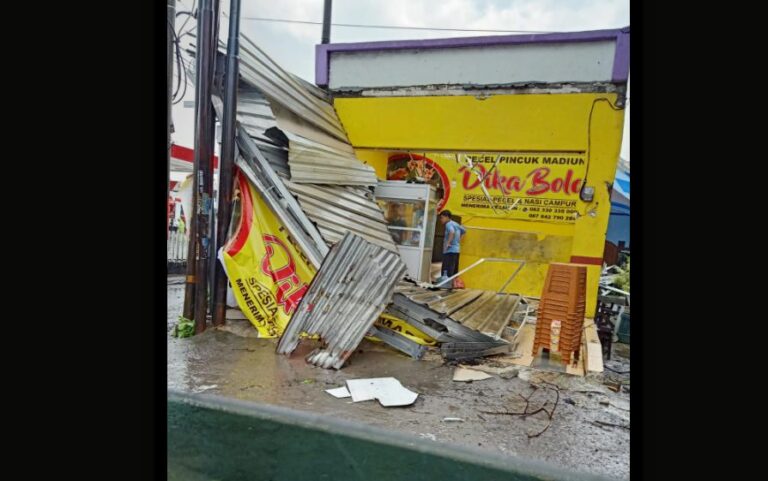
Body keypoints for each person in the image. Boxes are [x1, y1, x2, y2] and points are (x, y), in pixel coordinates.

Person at [439, 210, 466, 280]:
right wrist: (458, 240)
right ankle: (451, 285)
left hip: (449, 251)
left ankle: (446, 285)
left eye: (442, 218)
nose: (440, 220)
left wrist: (448, 243)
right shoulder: (455, 224)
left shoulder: (448, 224)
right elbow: (464, 231)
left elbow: (452, 232)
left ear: (447, 217)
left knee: (447, 270)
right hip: (456, 250)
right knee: (453, 269)